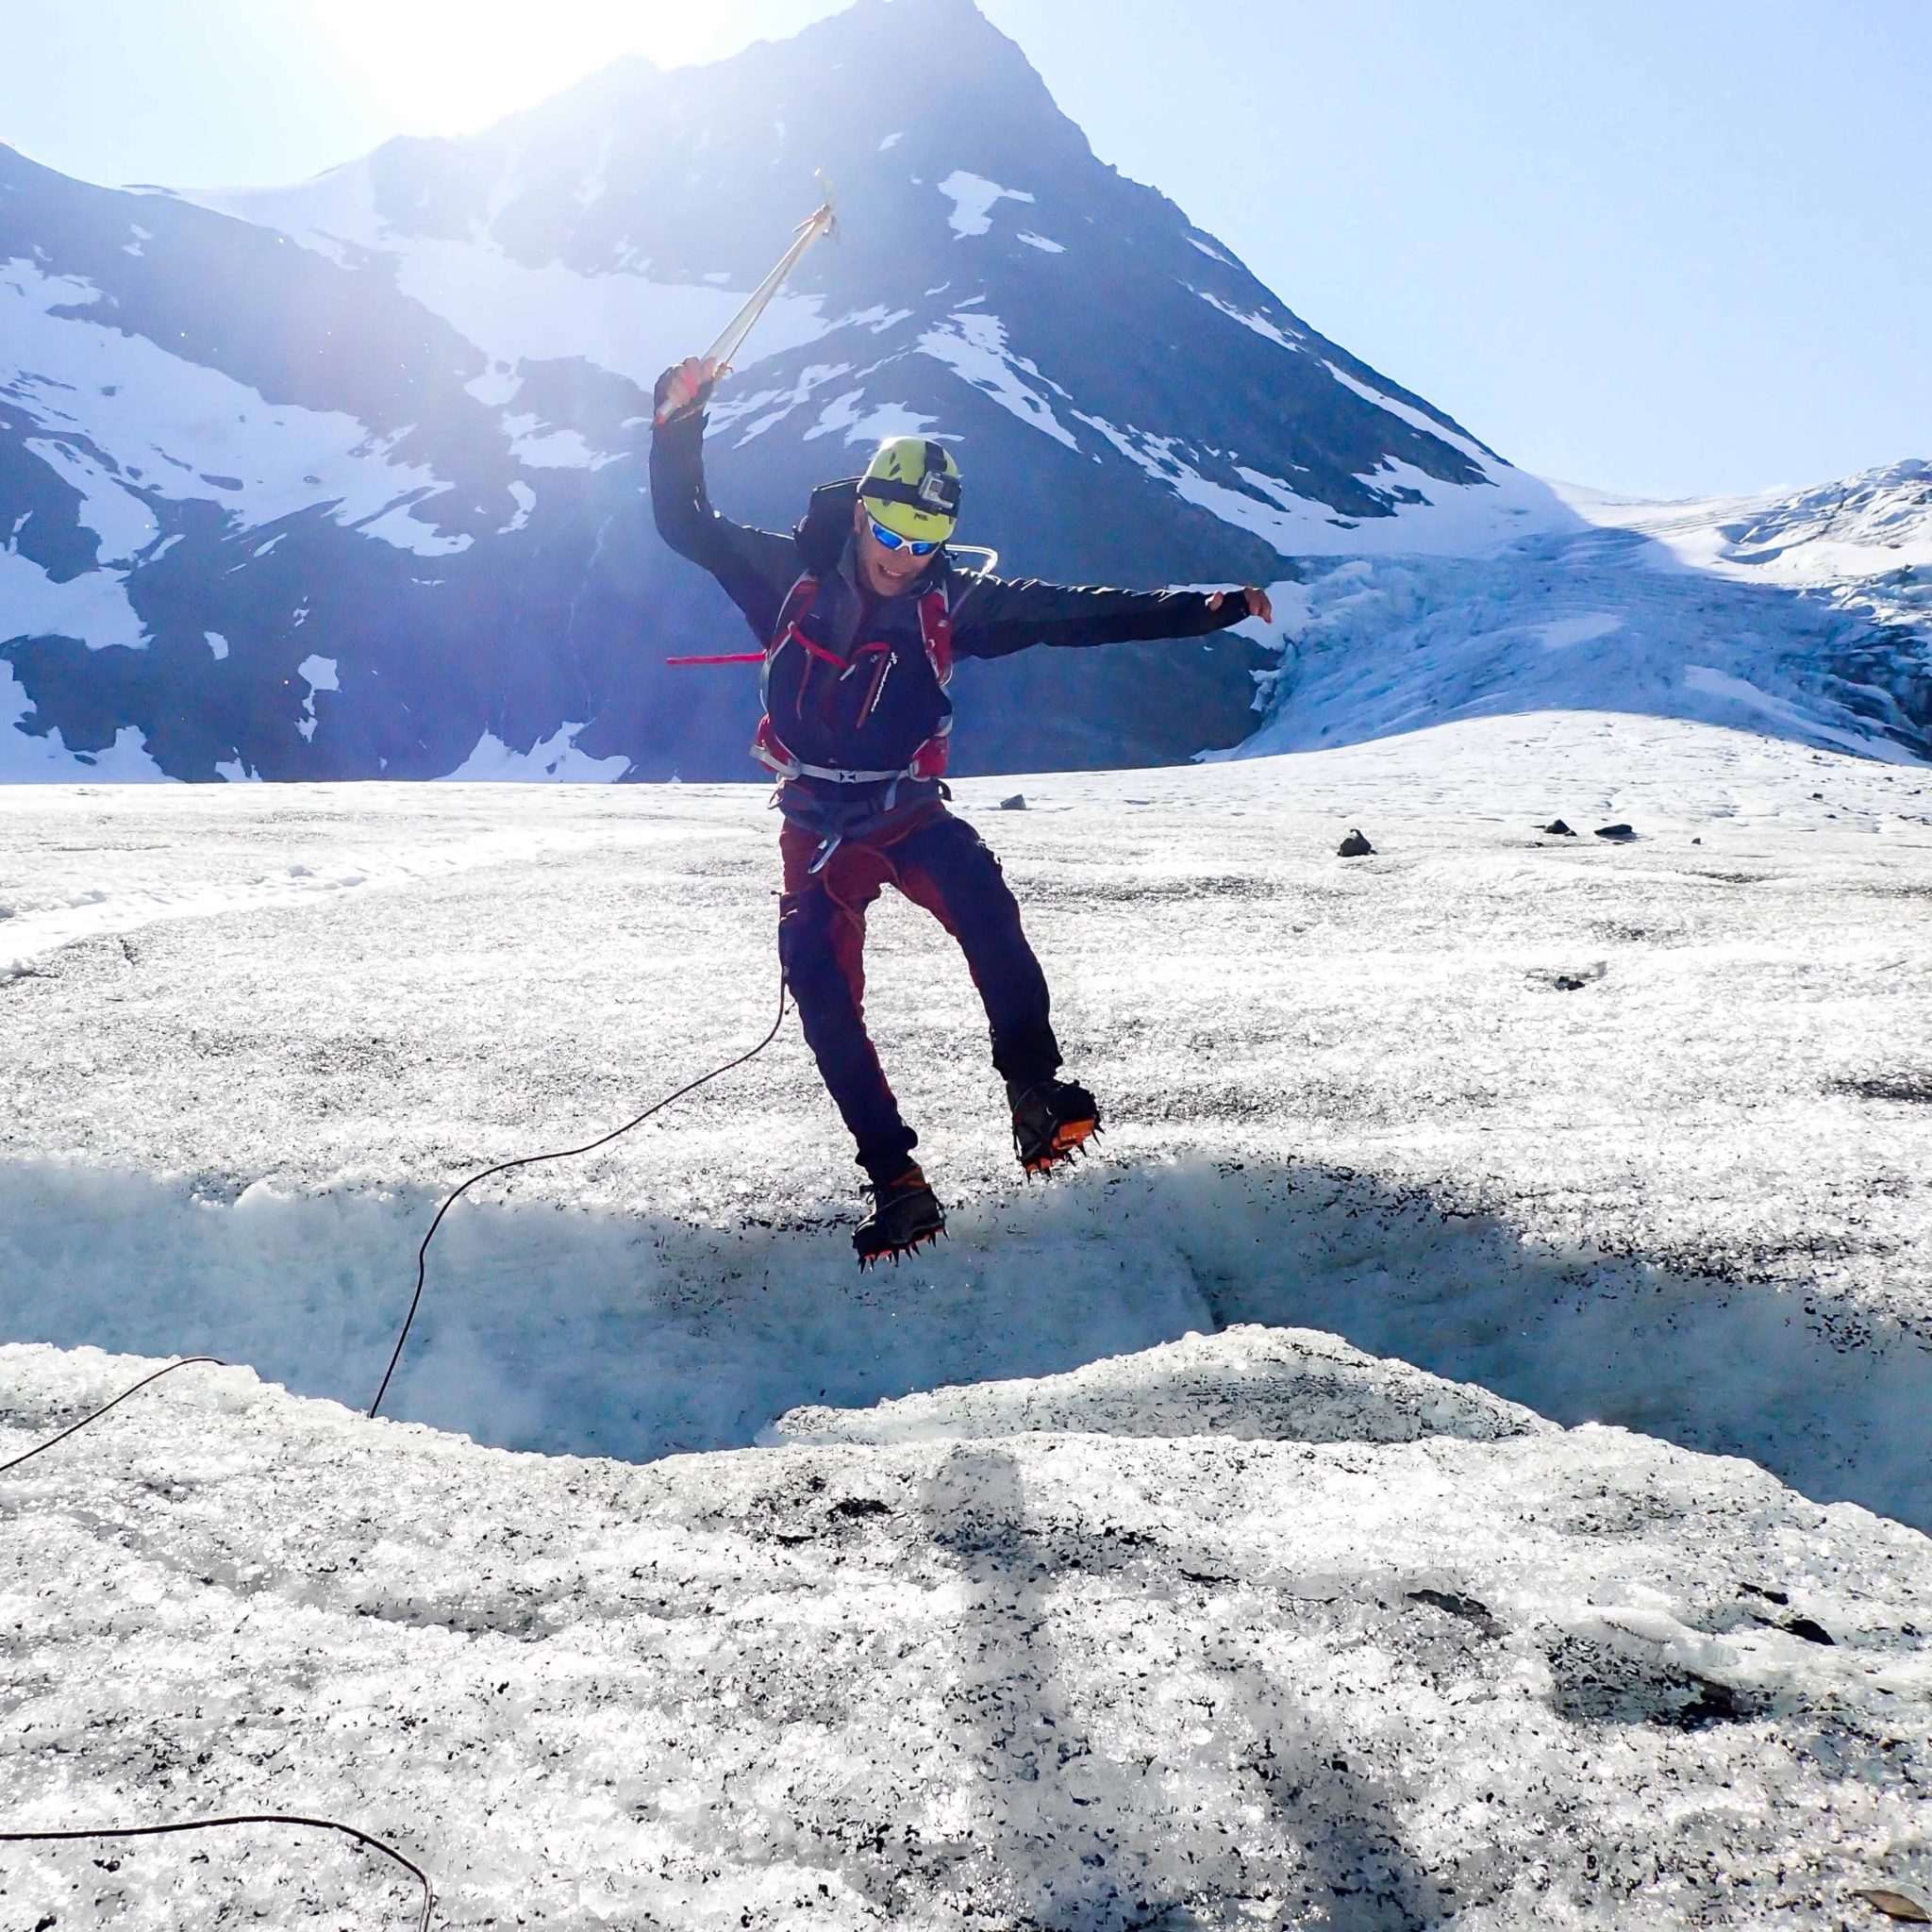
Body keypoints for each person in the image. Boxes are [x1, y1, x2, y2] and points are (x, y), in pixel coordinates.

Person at [652, 354, 1273, 1265]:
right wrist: (676, 425)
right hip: (817, 826)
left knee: (986, 908)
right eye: (894, 528)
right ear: (863, 510)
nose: (906, 554)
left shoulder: (956, 600)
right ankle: (896, 1183)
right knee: (819, 987)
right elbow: (685, 525)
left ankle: (1035, 1096)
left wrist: (1206, 609)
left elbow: (1081, 614)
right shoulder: (785, 574)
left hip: (906, 810)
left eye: (927, 534)